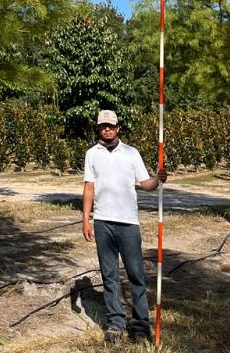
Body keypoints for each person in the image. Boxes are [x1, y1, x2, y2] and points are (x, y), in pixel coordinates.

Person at [82, 109, 167, 346]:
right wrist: (86, 219)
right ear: (98, 129)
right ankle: (115, 323)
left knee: (136, 275)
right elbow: (89, 187)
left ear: (118, 128)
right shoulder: (92, 154)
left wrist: (158, 179)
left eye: (111, 126)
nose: (107, 129)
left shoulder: (131, 153)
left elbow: (146, 184)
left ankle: (140, 327)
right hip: (103, 223)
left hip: (128, 223)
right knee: (109, 276)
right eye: (103, 126)